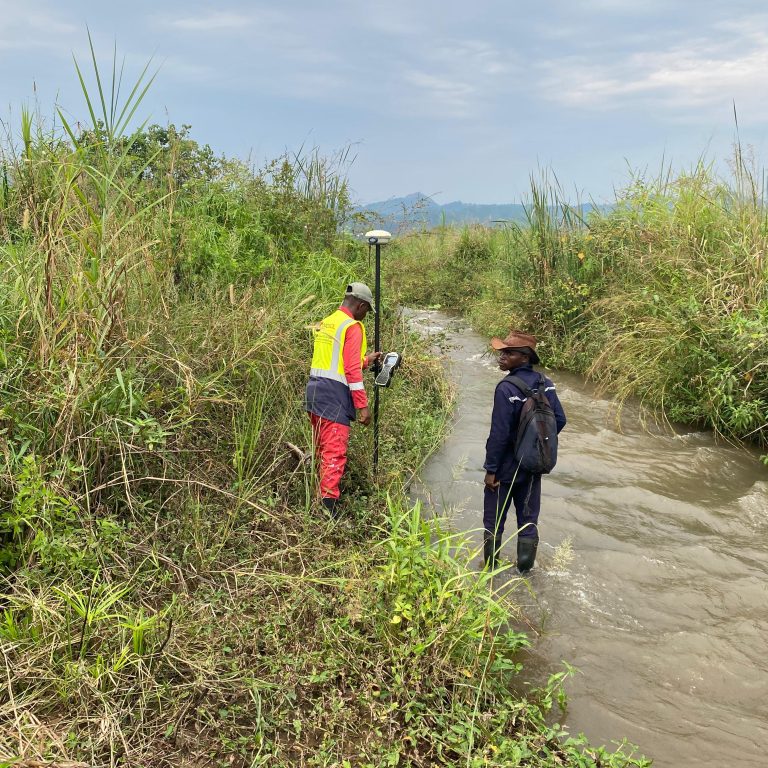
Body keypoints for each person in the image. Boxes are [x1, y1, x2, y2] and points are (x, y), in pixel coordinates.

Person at [483, 330, 567, 572]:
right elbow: (559, 420)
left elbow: (498, 434)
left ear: (524, 357)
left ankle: (489, 575)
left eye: (508, 353)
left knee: (493, 522)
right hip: (531, 467)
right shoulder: (546, 385)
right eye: (502, 352)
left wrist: (491, 470)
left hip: (504, 468)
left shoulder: (506, 388)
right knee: (528, 522)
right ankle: (525, 574)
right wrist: (533, 446)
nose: (501, 356)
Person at [304, 282, 382, 515]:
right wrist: (363, 406)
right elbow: (350, 372)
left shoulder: (328, 321)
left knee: (322, 449)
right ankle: (328, 509)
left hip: (314, 393)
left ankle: (318, 497)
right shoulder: (352, 326)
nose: (366, 316)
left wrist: (366, 360)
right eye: (367, 311)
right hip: (333, 396)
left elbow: (335, 360)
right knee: (334, 452)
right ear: (360, 306)